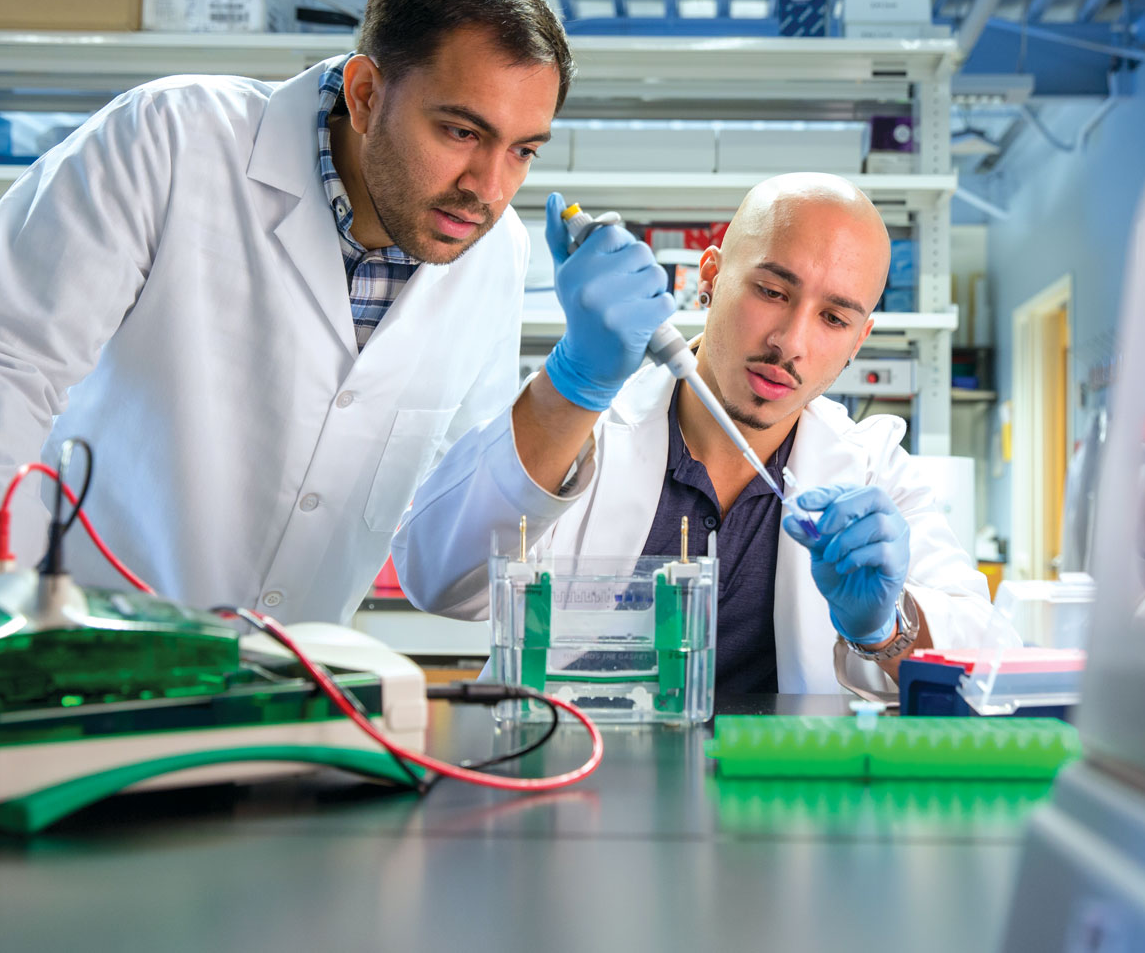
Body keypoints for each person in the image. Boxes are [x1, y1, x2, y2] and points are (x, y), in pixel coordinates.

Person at [0, 0, 574, 620]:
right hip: (79, 683)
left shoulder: (492, 251)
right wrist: (2, 630)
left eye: (522, 151)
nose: (488, 186)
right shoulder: (173, 140)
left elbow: (443, 560)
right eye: (461, 131)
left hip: (286, 704)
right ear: (364, 95)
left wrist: (576, 386)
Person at [392, 173, 994, 696]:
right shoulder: (584, 427)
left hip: (772, 810)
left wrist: (886, 628)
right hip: (562, 786)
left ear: (859, 339)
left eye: (833, 318)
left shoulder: (871, 469)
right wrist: (570, 383)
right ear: (709, 276)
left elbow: (990, 656)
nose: (791, 342)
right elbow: (437, 579)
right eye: (771, 291)